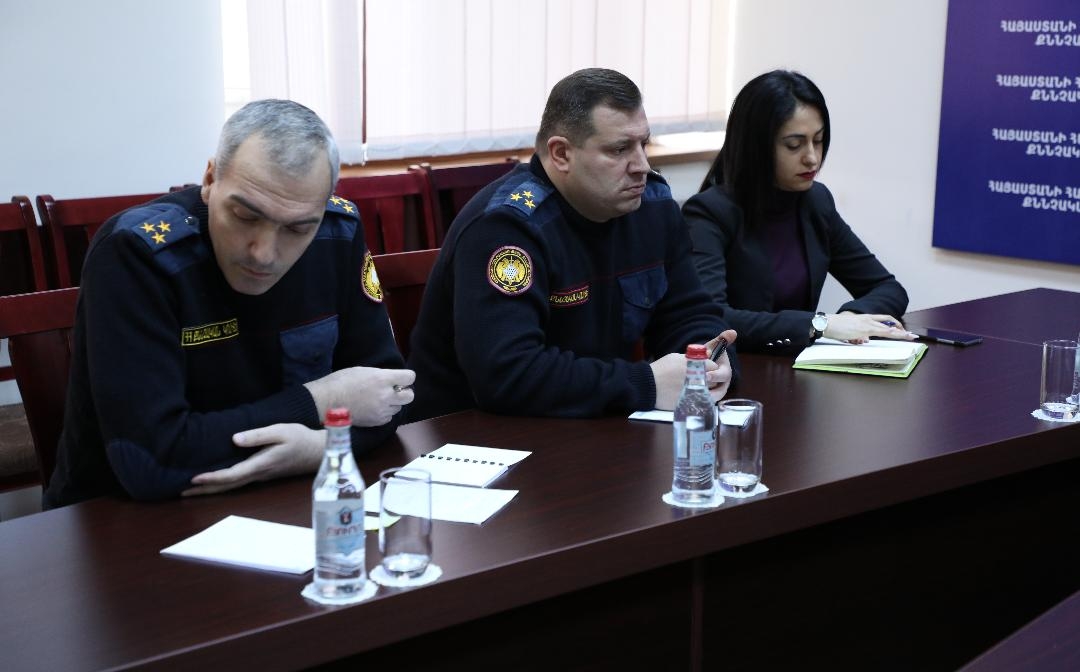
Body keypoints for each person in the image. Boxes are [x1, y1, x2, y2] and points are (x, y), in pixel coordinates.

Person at [45, 99, 415, 508]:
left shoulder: (337, 232)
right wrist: (321, 402)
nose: (264, 253)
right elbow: (151, 460)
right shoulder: (138, 254)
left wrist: (320, 448)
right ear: (209, 180)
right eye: (244, 216)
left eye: (296, 229)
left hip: (284, 500)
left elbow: (390, 394)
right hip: (123, 517)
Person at [406, 68, 737, 422]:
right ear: (562, 153)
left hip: (591, 422)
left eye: (644, 144)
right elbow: (507, 374)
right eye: (619, 149)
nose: (642, 166)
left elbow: (688, 312)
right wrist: (645, 383)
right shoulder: (507, 228)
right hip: (470, 433)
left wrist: (709, 361)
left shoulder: (652, 207)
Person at [681, 70, 914, 352]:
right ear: (757, 146)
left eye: (818, 140)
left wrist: (850, 319)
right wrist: (821, 324)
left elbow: (888, 288)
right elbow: (713, 318)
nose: (812, 158)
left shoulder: (816, 202)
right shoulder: (709, 213)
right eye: (794, 145)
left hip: (798, 366)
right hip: (735, 368)